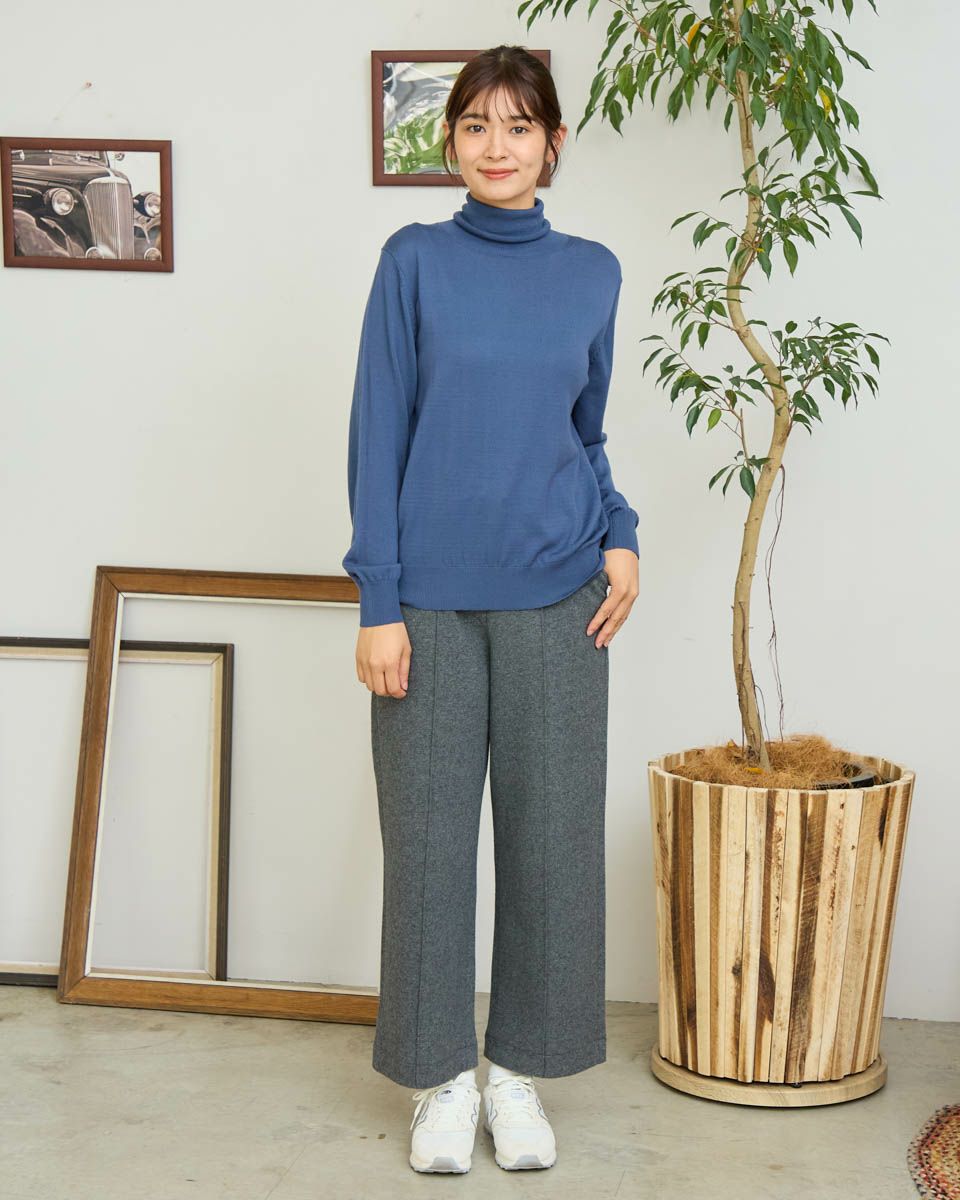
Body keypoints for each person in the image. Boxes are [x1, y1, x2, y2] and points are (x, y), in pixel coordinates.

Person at [341, 44, 640, 1174]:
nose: (497, 146)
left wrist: (621, 532)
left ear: (554, 144)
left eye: (519, 126)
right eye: (476, 126)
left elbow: (584, 432)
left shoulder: (594, 273)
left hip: (562, 592)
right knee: (426, 849)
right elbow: (378, 432)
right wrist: (378, 598)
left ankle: (516, 1073)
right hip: (426, 604)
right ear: (451, 142)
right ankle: (440, 1080)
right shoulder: (413, 261)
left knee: (553, 845)